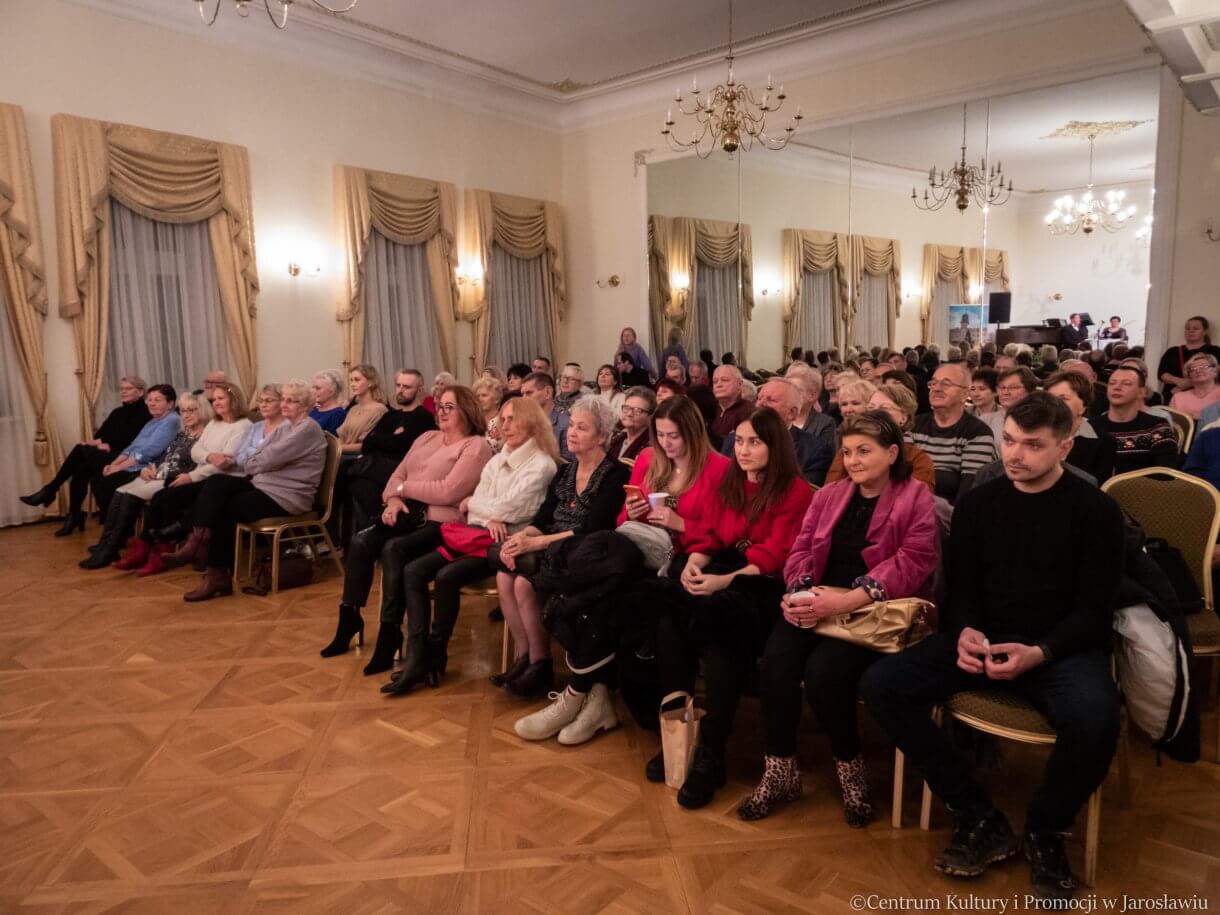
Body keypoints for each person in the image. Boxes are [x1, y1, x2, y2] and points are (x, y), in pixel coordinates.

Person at [862, 394, 1124, 901]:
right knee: (882, 685)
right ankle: (978, 814)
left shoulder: (1096, 511)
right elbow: (963, 590)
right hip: (984, 639)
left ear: (1065, 446)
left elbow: (1095, 611)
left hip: (1059, 649)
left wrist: (1040, 652)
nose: (1014, 454)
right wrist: (965, 631)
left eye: (1032, 445)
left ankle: (1046, 829)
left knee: (1097, 719)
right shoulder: (980, 503)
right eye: (1008, 440)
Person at [741, 411, 939, 826]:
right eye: (847, 452)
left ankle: (851, 769)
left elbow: (915, 560)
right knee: (775, 664)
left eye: (863, 451)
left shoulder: (914, 496)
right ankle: (780, 770)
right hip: (819, 600)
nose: (853, 461)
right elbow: (800, 549)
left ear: (892, 453)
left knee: (824, 673)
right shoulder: (830, 494)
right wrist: (798, 591)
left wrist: (848, 600)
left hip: (871, 612)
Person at [646, 407, 812, 809]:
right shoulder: (732, 482)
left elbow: (774, 555)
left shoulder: (795, 491)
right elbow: (710, 535)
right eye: (739, 441)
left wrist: (722, 581)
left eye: (755, 442)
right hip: (722, 572)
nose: (743, 450)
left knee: (719, 628)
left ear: (775, 445)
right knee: (670, 622)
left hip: (762, 586)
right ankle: (681, 732)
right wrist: (695, 564)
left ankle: (712, 751)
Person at [380, 395, 559, 695]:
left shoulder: (541, 464)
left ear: (531, 423)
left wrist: (477, 505)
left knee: (446, 577)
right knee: (413, 570)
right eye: (503, 419)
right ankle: (418, 656)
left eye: (513, 419)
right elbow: (474, 511)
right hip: (477, 536)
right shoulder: (498, 460)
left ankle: (436, 654)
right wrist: (486, 512)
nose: (505, 426)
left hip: (505, 544)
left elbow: (510, 508)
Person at [322, 385, 492, 674]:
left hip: (443, 524)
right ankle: (349, 616)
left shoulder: (475, 447)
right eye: (440, 405)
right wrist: (393, 500)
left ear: (467, 410)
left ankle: (390, 632)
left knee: (394, 549)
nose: (441, 411)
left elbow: (448, 491)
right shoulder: (427, 437)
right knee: (361, 541)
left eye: (449, 407)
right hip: (407, 516)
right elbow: (396, 475)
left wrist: (404, 489)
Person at [498, 399, 631, 708]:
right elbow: (543, 518)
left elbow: (593, 529)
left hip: (582, 554)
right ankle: (524, 656)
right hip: (550, 546)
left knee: (523, 583)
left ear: (601, 437)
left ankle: (541, 663)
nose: (571, 433)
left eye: (581, 428)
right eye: (571, 425)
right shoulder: (564, 471)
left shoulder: (614, 475)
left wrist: (537, 543)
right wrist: (523, 537)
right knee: (504, 575)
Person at [182, 379, 327, 602]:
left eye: (292, 401)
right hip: (264, 485)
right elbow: (259, 457)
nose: (285, 404)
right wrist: (257, 461)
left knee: (226, 507)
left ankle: (214, 570)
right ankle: (201, 543)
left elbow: (264, 459)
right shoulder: (286, 426)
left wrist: (255, 461)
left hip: (287, 497)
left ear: (306, 406)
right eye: (284, 399)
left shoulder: (307, 429)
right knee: (217, 482)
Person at [113, 382, 252, 576]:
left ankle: (162, 552)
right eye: (214, 399)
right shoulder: (215, 423)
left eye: (221, 398)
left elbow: (224, 463)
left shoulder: (244, 426)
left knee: (170, 497)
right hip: (203, 474)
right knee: (160, 497)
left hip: (221, 480)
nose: (216, 403)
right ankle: (145, 549)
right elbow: (196, 451)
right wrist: (210, 456)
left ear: (234, 400)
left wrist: (194, 473)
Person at [80, 390, 210, 570]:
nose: (186, 415)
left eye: (191, 410)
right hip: (157, 474)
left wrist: (159, 473)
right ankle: (106, 544)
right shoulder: (182, 433)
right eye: (183, 411)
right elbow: (164, 456)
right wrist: (148, 469)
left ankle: (112, 549)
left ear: (202, 411)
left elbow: (194, 467)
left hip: (175, 480)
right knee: (120, 491)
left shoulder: (207, 435)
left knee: (130, 495)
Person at [22, 375, 151, 535]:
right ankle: (71, 512)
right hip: (108, 454)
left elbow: (135, 441)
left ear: (140, 392)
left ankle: (55, 494)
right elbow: (102, 435)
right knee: (81, 466)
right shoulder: (117, 412)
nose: (123, 392)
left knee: (80, 452)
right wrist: (94, 443)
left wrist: (108, 444)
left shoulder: (146, 413)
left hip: (125, 457)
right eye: (122, 389)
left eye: (128, 389)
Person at [342, 370, 436, 532]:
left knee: (350, 470)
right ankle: (374, 527)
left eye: (407, 387)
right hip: (377, 468)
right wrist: (389, 438)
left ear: (419, 389)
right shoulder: (391, 415)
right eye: (398, 385)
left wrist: (380, 438)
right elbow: (367, 443)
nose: (400, 390)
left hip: (402, 469)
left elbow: (401, 446)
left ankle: (373, 529)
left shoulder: (423, 417)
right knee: (358, 483)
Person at [88, 384, 182, 522]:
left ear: (170, 404)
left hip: (147, 467)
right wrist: (113, 465)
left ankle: (116, 526)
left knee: (106, 483)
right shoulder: (152, 422)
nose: (151, 403)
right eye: (149, 400)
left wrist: (119, 467)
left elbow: (149, 452)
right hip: (133, 464)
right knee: (97, 478)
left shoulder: (172, 420)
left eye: (157, 400)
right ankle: (112, 525)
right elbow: (132, 447)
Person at [910, 362, 998, 503]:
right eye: (933, 383)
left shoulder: (978, 433)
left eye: (946, 384)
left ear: (965, 394)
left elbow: (969, 492)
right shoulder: (913, 425)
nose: (936, 388)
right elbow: (900, 474)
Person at [824, 381, 936, 491]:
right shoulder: (848, 450)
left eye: (884, 408)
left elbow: (918, 498)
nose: (874, 413)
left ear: (903, 417)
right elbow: (829, 493)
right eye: (871, 408)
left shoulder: (918, 459)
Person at [720, 378, 833, 486]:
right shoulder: (732, 440)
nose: (760, 404)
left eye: (771, 400)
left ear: (792, 413)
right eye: (759, 398)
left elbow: (806, 492)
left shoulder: (815, 451)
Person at [1091, 363, 1177, 474]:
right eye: (1112, 383)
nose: (1117, 387)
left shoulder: (1157, 427)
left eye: (1126, 383)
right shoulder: (1092, 427)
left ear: (1141, 392)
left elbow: (1165, 474)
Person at [1044, 371, 1116, 483]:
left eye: (1063, 399)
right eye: (1050, 399)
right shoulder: (1033, 433)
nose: (1054, 404)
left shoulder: (1103, 442)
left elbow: (1095, 486)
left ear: (1083, 406)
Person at [1158, 315, 1220, 399]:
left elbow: (1217, 370)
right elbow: (1162, 373)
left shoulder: (1215, 351)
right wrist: (1178, 381)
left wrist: (1189, 383)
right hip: (1173, 398)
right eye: (1187, 328)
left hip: (1207, 397)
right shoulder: (1172, 351)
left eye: (1196, 328)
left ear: (1205, 332)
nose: (1191, 331)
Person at [336, 364, 388, 455]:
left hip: (360, 457)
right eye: (351, 380)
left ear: (370, 382)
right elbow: (342, 436)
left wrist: (336, 448)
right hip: (343, 454)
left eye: (357, 380)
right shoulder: (353, 409)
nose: (352, 384)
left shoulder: (379, 410)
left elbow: (368, 444)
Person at [521, 371, 571, 460]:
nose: (523, 399)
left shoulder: (566, 425)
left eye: (529, 393)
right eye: (522, 394)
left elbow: (569, 465)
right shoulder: (522, 423)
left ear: (548, 392)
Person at [784, 362, 836, 448]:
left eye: (796, 390)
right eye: (788, 390)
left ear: (812, 395)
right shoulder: (779, 420)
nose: (790, 394)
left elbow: (821, 453)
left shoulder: (825, 424)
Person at [607, 386, 655, 462]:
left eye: (637, 411)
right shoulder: (616, 440)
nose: (629, 414)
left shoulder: (650, 446)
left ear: (650, 417)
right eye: (626, 408)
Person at [1169, 353, 1220, 420]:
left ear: (1215, 371)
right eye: (1193, 368)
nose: (1198, 370)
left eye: (1203, 366)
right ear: (1189, 376)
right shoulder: (1178, 398)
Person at [710, 364, 753, 439]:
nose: (718, 385)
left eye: (725, 380)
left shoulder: (749, 412)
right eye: (715, 381)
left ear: (739, 384)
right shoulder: (709, 408)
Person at [969, 367, 1004, 440]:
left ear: (995, 392)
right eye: (972, 389)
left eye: (982, 389)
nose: (976, 394)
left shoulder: (1004, 415)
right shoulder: (964, 414)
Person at [309, 369, 348, 434]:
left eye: (318, 388)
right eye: (313, 387)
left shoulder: (338, 414)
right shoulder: (313, 410)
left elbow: (330, 439)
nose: (313, 391)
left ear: (332, 392)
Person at [473, 376, 505, 452]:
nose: (480, 399)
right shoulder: (473, 421)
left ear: (496, 399)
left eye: (484, 395)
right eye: (478, 396)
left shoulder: (503, 421)